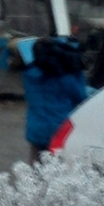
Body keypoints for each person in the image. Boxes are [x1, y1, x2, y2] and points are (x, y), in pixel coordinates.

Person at [22, 36, 89, 164]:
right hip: (60, 132)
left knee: (35, 170)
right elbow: (82, 99)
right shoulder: (69, 77)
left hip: (36, 131)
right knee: (58, 171)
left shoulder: (29, 76)